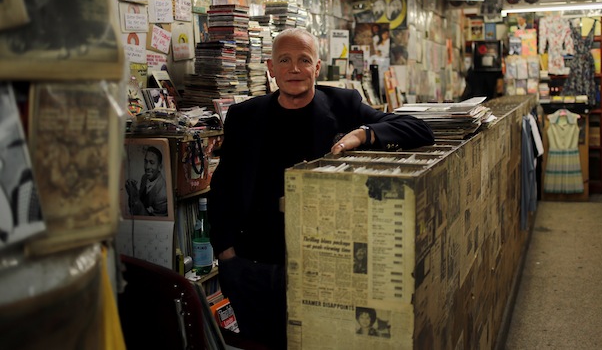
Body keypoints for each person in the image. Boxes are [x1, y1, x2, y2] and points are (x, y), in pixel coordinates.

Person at [208, 28, 434, 349]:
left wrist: (361, 135)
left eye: (304, 60)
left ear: (317, 68)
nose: (294, 69)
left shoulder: (344, 104)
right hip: (254, 267)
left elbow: (418, 129)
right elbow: (223, 188)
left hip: (324, 269)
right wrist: (226, 254)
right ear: (271, 68)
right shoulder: (244, 115)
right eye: (284, 60)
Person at [125, 146, 168, 216]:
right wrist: (132, 191)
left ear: (160, 167)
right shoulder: (144, 178)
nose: (147, 167)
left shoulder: (163, 195)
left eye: (152, 162)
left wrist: (134, 197)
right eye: (146, 162)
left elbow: (150, 221)